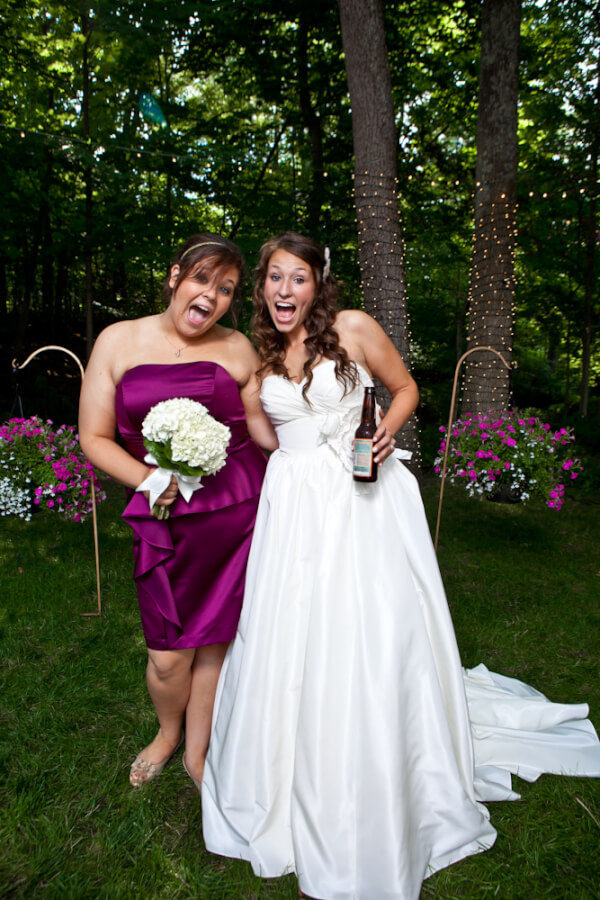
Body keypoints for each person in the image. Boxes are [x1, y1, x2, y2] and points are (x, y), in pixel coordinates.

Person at [201, 232, 600, 900]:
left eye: (298, 278)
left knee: (364, 623)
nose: (284, 290)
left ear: (318, 284)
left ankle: (379, 741)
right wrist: (253, 426)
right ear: (262, 284)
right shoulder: (260, 354)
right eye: (274, 277)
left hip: (363, 499)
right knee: (290, 627)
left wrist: (386, 429)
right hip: (293, 505)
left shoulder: (353, 327)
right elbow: (267, 436)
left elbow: (405, 387)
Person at [78, 234, 278, 790]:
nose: (211, 296)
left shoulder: (239, 348)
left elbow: (267, 429)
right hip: (162, 518)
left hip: (235, 514)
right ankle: (167, 732)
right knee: (168, 656)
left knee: (214, 642)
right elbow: (93, 437)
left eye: (226, 289)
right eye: (202, 279)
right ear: (175, 277)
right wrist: (149, 480)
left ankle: (196, 749)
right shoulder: (118, 340)